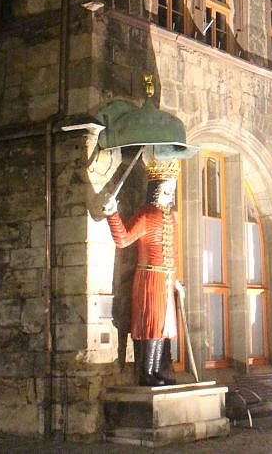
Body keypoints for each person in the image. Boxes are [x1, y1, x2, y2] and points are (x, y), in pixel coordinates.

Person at [104, 160, 181, 387]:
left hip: (166, 279)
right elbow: (123, 238)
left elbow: (174, 252)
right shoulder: (146, 215)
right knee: (151, 325)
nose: (170, 193)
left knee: (163, 327)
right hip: (150, 278)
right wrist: (112, 214)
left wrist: (177, 280)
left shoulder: (172, 218)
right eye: (167, 188)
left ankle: (156, 370)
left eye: (172, 189)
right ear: (158, 189)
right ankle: (146, 372)